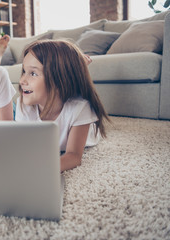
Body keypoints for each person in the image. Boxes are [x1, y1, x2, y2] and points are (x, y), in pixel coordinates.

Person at [15, 39, 109, 172]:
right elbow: (24, 148)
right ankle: (76, 65)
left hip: (86, 131)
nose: (22, 81)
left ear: (59, 81)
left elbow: (74, 156)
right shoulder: (22, 105)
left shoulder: (80, 108)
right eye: (24, 71)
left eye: (33, 73)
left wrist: (40, 170)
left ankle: (77, 66)